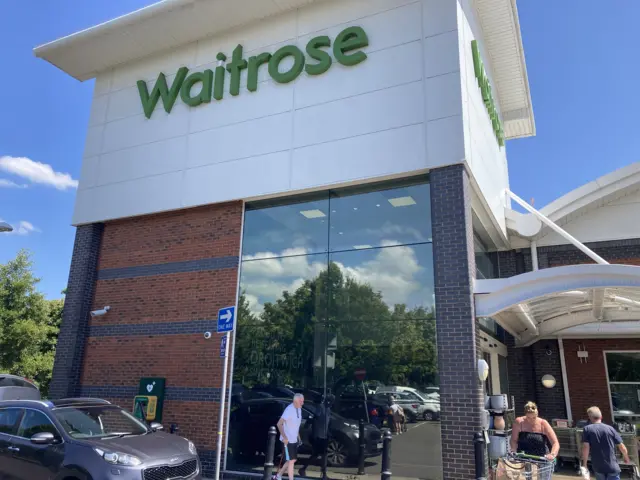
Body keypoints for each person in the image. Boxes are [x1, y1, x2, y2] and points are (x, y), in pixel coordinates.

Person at [582, 406, 631, 480]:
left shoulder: (587, 429)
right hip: (612, 466)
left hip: (598, 467)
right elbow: (622, 446)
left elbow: (586, 447)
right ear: (601, 417)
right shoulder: (610, 429)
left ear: (590, 417)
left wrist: (584, 464)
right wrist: (626, 457)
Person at [510, 401, 559, 474]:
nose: (531, 420)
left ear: (537, 414)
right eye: (528, 417)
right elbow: (514, 440)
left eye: (534, 417)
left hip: (541, 459)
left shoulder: (543, 423)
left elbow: (555, 443)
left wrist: (552, 454)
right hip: (523, 459)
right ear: (525, 415)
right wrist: (513, 450)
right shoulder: (519, 422)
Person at [298, 394, 334, 479]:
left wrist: (328, 433)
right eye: (330, 402)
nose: (331, 404)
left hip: (324, 435)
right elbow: (314, 419)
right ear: (327, 401)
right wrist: (314, 433)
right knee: (321, 454)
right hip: (318, 435)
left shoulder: (328, 409)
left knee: (318, 454)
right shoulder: (320, 408)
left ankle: (304, 469)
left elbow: (327, 423)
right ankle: (323, 474)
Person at [274, 394, 305, 480]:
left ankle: (278, 476)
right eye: (301, 401)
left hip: (294, 439)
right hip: (287, 440)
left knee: (292, 460)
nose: (302, 403)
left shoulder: (299, 409)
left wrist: (299, 437)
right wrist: (284, 437)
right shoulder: (289, 410)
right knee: (291, 461)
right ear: (295, 401)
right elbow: (279, 424)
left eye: (303, 401)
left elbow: (296, 425)